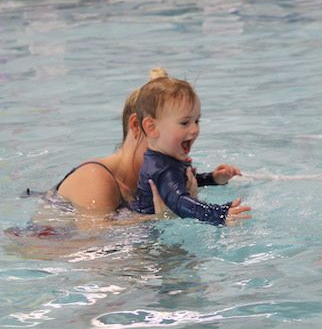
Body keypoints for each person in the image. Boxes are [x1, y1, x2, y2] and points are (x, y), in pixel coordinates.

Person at [55, 68, 251, 222]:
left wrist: (212, 180)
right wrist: (160, 219)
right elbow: (92, 244)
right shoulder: (95, 178)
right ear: (139, 126)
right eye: (183, 123)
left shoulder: (149, 177)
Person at [129, 75, 244, 225]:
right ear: (152, 128)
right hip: (147, 236)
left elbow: (181, 183)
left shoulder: (164, 160)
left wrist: (212, 178)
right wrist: (219, 214)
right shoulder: (163, 169)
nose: (195, 129)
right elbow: (181, 202)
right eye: (184, 123)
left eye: (196, 121)